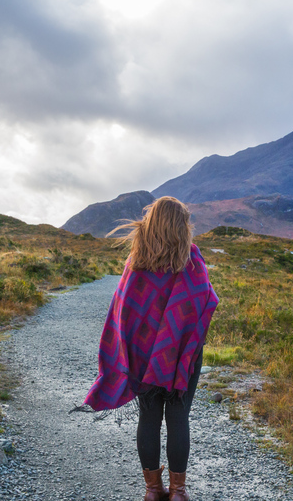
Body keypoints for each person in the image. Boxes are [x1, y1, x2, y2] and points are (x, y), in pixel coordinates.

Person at [80, 196, 219, 501]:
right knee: (179, 418)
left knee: (149, 419)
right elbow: (205, 304)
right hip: (184, 356)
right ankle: (178, 492)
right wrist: (187, 350)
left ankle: (153, 491)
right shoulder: (192, 262)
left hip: (144, 360)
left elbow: (123, 315)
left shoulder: (136, 264)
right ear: (180, 226)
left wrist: (130, 352)